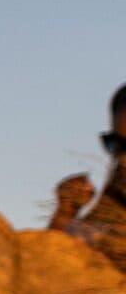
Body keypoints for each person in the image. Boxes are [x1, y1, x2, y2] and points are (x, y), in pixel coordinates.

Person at [49, 83, 126, 273]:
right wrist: (64, 214)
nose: (123, 157)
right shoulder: (117, 194)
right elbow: (51, 263)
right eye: (117, 144)